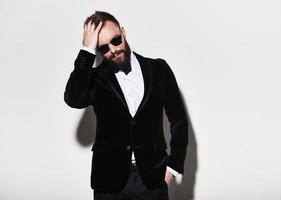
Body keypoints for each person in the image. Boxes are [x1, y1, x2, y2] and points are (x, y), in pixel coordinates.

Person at [64, 11, 188, 200]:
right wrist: (86, 51)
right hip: (108, 182)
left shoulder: (159, 69)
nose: (113, 50)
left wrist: (174, 166)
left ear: (123, 32)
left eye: (115, 40)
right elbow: (73, 99)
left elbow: (178, 120)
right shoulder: (95, 79)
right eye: (103, 48)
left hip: (152, 179)